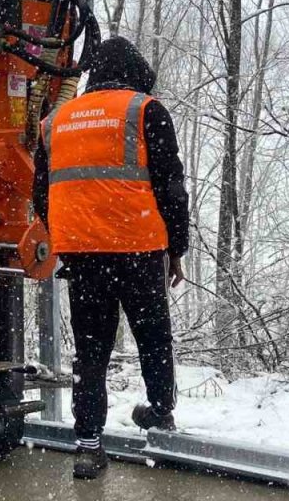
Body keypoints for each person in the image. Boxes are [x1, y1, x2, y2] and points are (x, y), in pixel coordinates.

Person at [33, 37, 190, 480]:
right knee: (154, 339)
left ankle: (88, 446)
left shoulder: (55, 121)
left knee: (91, 353)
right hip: (138, 251)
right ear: (136, 70)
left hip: (84, 258)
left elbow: (40, 197)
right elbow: (171, 188)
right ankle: (160, 413)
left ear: (92, 73)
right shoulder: (146, 111)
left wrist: (76, 233)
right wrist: (176, 248)